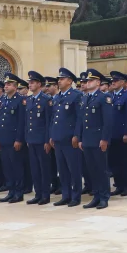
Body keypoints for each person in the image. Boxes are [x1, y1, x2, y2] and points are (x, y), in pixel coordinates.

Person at [79, 69, 113, 209]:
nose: (88, 83)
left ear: (98, 82)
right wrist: (81, 138)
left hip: (98, 140)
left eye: (90, 80)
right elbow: (82, 120)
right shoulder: (86, 98)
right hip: (87, 140)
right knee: (92, 169)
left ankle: (104, 197)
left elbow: (108, 121)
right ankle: (96, 196)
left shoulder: (104, 98)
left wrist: (104, 139)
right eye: (87, 81)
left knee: (101, 169)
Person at [51, 68, 85, 207]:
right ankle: (66, 195)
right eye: (59, 79)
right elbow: (54, 118)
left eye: (62, 78)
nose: (59, 81)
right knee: (62, 169)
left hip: (70, 139)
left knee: (74, 169)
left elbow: (79, 118)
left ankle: (76, 196)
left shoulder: (76, 95)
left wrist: (77, 135)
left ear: (70, 81)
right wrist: (52, 135)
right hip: (58, 138)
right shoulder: (57, 97)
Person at [22, 71, 53, 205]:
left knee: (44, 168)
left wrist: (47, 140)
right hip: (32, 139)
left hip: (42, 140)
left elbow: (48, 122)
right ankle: (38, 193)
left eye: (32, 82)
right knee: (34, 168)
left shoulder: (46, 100)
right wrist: (27, 138)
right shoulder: (29, 100)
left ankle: (45, 195)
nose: (30, 85)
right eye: (29, 82)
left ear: (39, 84)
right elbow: (27, 121)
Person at [0, 73, 26, 203]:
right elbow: (0, 121)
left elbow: (21, 122)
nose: (6, 86)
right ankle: (11, 191)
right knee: (7, 167)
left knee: (16, 167)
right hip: (4, 139)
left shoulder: (20, 100)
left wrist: (19, 139)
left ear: (15, 86)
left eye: (8, 84)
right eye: (5, 84)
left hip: (14, 140)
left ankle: (18, 192)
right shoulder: (3, 100)